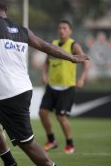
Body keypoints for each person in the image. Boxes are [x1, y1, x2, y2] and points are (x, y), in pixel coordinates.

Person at [0, 0, 88, 166]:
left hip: (11, 94)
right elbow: (47, 46)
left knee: (27, 143)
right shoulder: (23, 31)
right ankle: (10, 163)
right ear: (6, 10)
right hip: (16, 90)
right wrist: (72, 57)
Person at [39, 20, 89, 154]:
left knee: (61, 116)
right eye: (60, 28)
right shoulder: (53, 45)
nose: (62, 30)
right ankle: (51, 140)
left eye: (65, 28)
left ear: (70, 31)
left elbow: (85, 62)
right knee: (42, 112)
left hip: (67, 87)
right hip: (52, 86)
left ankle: (70, 144)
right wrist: (44, 74)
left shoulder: (73, 45)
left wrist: (82, 78)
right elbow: (46, 62)